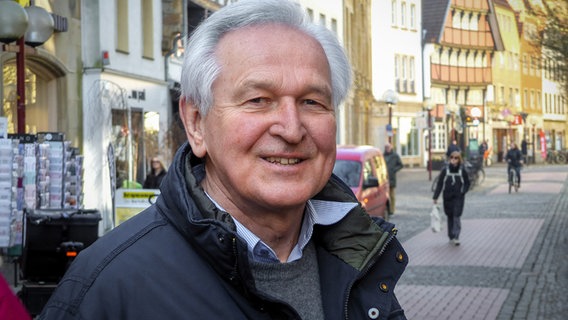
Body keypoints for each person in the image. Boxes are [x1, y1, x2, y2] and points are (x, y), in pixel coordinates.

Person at [39, 1, 408, 319]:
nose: (292, 129)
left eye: (312, 102)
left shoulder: (360, 260)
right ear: (196, 123)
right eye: (258, 100)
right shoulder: (107, 285)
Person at [433, 151, 471, 246]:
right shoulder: (445, 170)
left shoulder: (462, 170)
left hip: (458, 197)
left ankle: (456, 236)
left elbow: (467, 183)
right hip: (447, 197)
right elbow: (440, 184)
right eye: (452, 158)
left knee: (456, 215)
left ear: (459, 160)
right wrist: (435, 197)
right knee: (450, 216)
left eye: (456, 158)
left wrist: (463, 191)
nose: (453, 160)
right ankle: (451, 236)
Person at [384, 143, 403, 214]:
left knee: (392, 194)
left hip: (391, 177)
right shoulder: (383, 155)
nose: (387, 149)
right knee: (386, 194)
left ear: (391, 147)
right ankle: (387, 208)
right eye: (386, 147)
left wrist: (394, 170)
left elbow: (400, 165)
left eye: (388, 147)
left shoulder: (395, 156)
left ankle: (392, 209)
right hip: (385, 178)